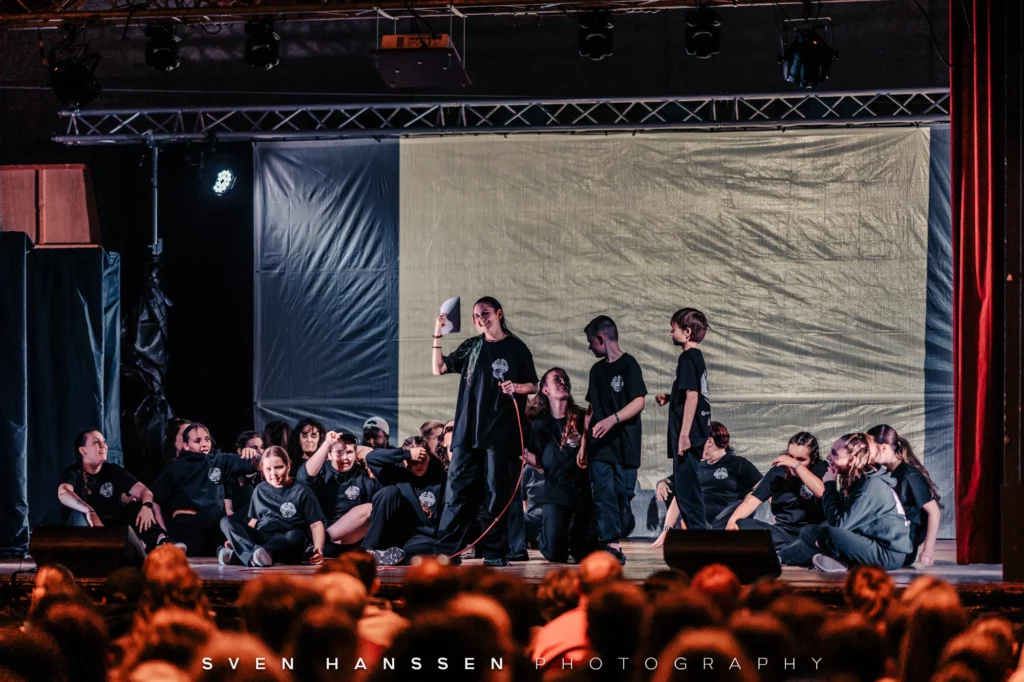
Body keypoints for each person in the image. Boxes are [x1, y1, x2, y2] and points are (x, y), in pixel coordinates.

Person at [430, 296, 539, 567]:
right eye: (476, 315)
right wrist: (437, 333)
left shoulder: (516, 348)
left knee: (495, 491)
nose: (481, 318)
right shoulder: (471, 347)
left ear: (499, 314)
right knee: (458, 491)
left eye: (486, 313)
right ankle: (448, 552)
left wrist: (516, 387)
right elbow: (439, 368)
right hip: (468, 432)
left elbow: (533, 385)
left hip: (500, 434)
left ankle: (494, 551)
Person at [778, 433, 913, 571]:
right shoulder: (857, 479)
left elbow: (839, 525)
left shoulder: (870, 485)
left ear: (852, 459)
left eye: (835, 454)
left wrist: (829, 485)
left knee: (828, 534)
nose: (829, 458)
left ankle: (839, 562)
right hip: (868, 542)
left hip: (888, 554)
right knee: (810, 531)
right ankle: (781, 557)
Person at [581, 315, 647, 563]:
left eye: (591, 342)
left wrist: (613, 420)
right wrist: (585, 444)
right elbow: (590, 409)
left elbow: (639, 401)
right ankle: (610, 544)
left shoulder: (629, 365)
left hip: (625, 443)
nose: (589, 347)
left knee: (623, 493)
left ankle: (617, 529)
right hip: (600, 447)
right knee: (604, 493)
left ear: (601, 338)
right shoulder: (596, 371)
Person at [59, 429, 182, 553]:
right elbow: (63, 493)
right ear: (83, 450)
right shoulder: (74, 472)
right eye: (96, 442)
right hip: (87, 527)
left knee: (136, 507)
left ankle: (161, 541)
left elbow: (145, 491)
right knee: (78, 514)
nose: (103, 446)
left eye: (104, 441)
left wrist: (147, 506)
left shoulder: (113, 470)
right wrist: (89, 511)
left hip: (112, 528)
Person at [523, 368, 598, 564]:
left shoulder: (582, 417)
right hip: (556, 493)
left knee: (584, 554)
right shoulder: (539, 424)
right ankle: (546, 532)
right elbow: (538, 459)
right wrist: (521, 453)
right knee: (555, 555)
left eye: (565, 379)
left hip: (582, 492)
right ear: (545, 390)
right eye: (557, 379)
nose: (563, 382)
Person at [152, 423, 260, 557]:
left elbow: (250, 465)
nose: (204, 444)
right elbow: (156, 500)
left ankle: (242, 553)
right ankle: (240, 550)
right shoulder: (176, 468)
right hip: (187, 526)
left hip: (212, 526)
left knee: (237, 518)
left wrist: (253, 456)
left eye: (207, 439)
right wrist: (164, 535)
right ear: (186, 445)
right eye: (197, 441)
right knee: (216, 513)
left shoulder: (219, 459)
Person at [652, 422, 761, 545]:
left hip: (725, 514)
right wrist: (661, 483)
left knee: (743, 504)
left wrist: (778, 512)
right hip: (698, 511)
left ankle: (702, 534)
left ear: (709, 441)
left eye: (698, 441)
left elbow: (763, 488)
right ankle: (697, 533)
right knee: (684, 495)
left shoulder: (738, 463)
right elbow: (677, 487)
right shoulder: (696, 465)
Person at [218, 446, 326, 567]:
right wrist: (238, 540)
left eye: (278, 468)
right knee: (226, 521)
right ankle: (257, 556)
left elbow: (316, 524)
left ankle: (240, 557)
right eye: (268, 469)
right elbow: (253, 521)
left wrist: (318, 549)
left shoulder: (302, 491)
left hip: (288, 540)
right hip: (263, 537)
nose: (273, 473)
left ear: (288, 466)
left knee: (296, 536)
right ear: (262, 470)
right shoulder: (260, 490)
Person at [655, 308, 712, 531]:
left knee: (687, 489)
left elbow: (693, 395)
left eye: (673, 329)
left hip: (690, 433)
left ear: (687, 332)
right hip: (693, 430)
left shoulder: (688, 357)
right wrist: (671, 397)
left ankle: (700, 533)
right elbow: (690, 391)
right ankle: (696, 532)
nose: (671, 333)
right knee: (685, 485)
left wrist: (684, 434)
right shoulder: (694, 358)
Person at [725, 432, 827, 553]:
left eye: (801, 459)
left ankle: (792, 550)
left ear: (813, 459)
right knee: (741, 525)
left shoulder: (821, 468)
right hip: (783, 533)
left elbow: (821, 491)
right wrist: (732, 521)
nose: (791, 463)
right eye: (790, 457)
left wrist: (797, 465)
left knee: (826, 532)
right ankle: (793, 550)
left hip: (810, 531)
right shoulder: (777, 472)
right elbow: (752, 501)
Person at [361, 436, 444, 566]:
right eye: (414, 460)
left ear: (429, 457)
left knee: (435, 548)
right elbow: (371, 458)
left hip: (419, 538)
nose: (419, 465)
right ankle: (368, 551)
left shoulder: (439, 477)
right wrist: (407, 454)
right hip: (393, 533)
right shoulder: (395, 473)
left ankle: (392, 557)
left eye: (423, 459)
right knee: (389, 492)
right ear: (406, 461)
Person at [867, 424, 942, 567]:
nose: (867, 453)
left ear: (883, 448)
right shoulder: (889, 472)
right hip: (892, 536)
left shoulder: (910, 475)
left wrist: (928, 551)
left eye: (869, 448)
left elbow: (934, 512)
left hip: (903, 545)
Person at [297, 430, 380, 551]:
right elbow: (303, 477)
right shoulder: (322, 469)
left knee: (372, 508)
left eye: (349, 452)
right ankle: (321, 541)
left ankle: (324, 539)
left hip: (350, 537)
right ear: (329, 455)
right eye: (339, 452)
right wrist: (327, 443)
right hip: (320, 531)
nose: (345, 457)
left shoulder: (363, 474)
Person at [225, 430, 264, 518]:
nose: (260, 451)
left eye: (262, 447)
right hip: (241, 520)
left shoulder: (265, 474)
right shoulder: (231, 476)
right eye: (254, 448)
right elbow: (229, 510)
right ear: (240, 451)